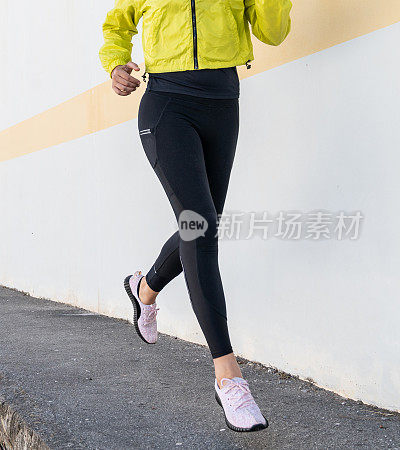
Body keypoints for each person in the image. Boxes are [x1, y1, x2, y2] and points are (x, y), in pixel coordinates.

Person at [99, 0, 292, 432]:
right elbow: (116, 25)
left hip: (223, 101)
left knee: (200, 225)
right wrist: (115, 65)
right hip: (167, 103)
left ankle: (144, 288)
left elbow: (273, 32)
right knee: (200, 224)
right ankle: (229, 376)